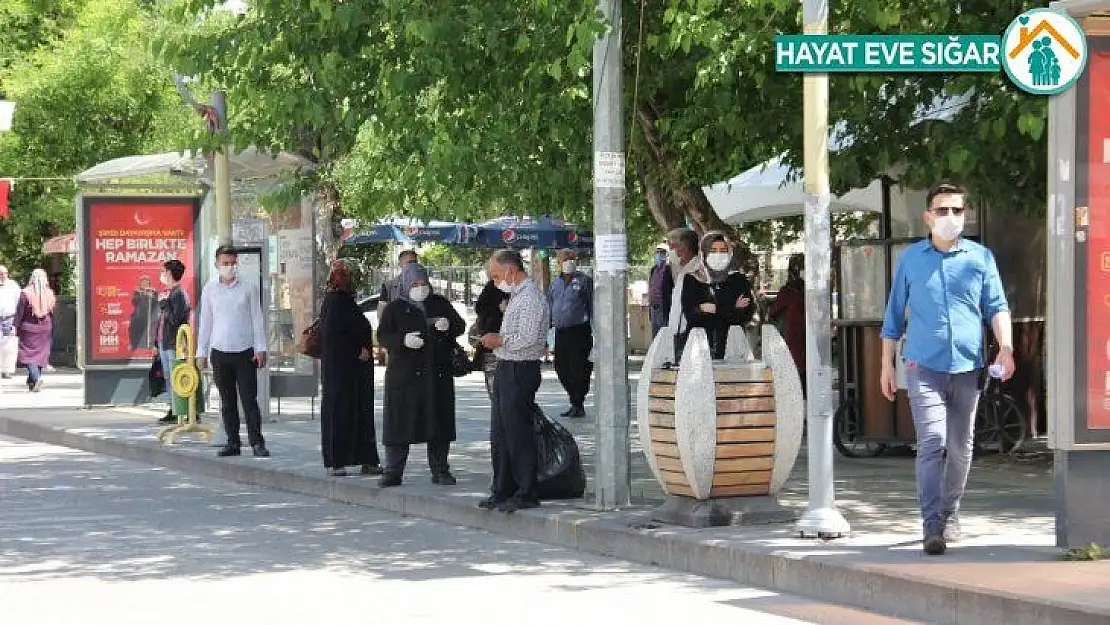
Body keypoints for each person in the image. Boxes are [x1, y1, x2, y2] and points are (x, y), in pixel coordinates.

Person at [879, 182, 1014, 556]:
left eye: (957, 210)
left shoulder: (980, 258)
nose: (950, 217)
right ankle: (932, 523)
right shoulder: (910, 259)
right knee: (933, 443)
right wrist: (886, 365)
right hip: (923, 365)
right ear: (927, 217)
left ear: (965, 215)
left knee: (961, 447)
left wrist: (1006, 347)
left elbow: (997, 306)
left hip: (968, 365)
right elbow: (892, 318)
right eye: (942, 210)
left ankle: (951, 511)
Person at [376, 262, 465, 487]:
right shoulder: (395, 308)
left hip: (436, 375)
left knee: (439, 424)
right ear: (405, 284)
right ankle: (393, 471)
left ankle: (440, 470)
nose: (420, 287)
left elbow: (459, 326)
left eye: (424, 283)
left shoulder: (439, 303)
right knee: (399, 424)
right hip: (404, 377)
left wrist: (449, 325)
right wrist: (402, 341)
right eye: (415, 283)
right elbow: (383, 336)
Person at [479, 249, 550, 513]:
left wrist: (500, 340)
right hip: (506, 366)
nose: (496, 282)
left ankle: (526, 490)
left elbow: (530, 338)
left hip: (521, 369)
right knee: (500, 432)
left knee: (518, 431)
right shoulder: (515, 296)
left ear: (511, 270)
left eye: (497, 276)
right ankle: (502, 488)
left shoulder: (530, 297)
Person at [196, 245, 270, 458]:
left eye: (232, 263)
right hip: (220, 351)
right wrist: (201, 351)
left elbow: (257, 319)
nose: (229, 267)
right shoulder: (210, 290)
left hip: (245, 351)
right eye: (225, 263)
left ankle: (257, 442)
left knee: (249, 400)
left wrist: (260, 348)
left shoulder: (248, 288)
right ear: (217, 265)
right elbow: (206, 323)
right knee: (227, 401)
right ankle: (232, 442)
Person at [319, 259, 382, 477]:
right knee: (340, 413)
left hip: (352, 372)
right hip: (342, 371)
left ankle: (365, 458)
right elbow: (333, 336)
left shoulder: (344, 301)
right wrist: (357, 350)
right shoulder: (336, 301)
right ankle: (337, 460)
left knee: (357, 412)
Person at [678, 232, 756, 360]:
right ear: (704, 252)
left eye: (723, 250)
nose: (718, 255)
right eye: (713, 250)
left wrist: (711, 308)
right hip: (700, 351)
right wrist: (732, 308)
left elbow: (746, 314)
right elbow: (692, 316)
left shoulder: (738, 280)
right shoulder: (692, 279)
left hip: (732, 349)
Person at [548, 248, 593, 418]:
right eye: (564, 258)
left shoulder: (584, 281)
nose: (568, 260)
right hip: (561, 332)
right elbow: (549, 307)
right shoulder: (555, 284)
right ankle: (573, 398)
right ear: (558, 262)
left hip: (579, 332)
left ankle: (578, 403)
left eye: (571, 257)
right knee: (561, 367)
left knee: (578, 369)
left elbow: (592, 305)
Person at [155, 260, 192, 424]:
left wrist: (164, 304)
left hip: (174, 343)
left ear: (170, 273)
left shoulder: (178, 294)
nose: (161, 275)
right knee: (169, 378)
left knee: (176, 376)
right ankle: (173, 408)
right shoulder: (170, 292)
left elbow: (176, 319)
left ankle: (181, 409)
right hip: (165, 342)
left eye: (164, 271)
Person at [768, 253, 806, 392]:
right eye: (802, 268)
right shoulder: (787, 292)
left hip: (808, 350)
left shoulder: (809, 292)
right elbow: (774, 315)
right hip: (792, 350)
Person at [14, 268, 55, 392]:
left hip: (29, 328)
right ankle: (32, 382)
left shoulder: (26, 293)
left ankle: (36, 378)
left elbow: (20, 312)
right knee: (41, 355)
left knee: (28, 355)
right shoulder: (50, 293)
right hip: (45, 328)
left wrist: (15, 326)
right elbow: (52, 313)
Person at [664, 227, 702, 359]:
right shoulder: (682, 270)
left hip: (689, 331)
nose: (672, 251)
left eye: (674, 247)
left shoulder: (697, 269)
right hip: (677, 329)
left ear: (685, 247)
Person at [471, 279, 510, 398]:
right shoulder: (493, 286)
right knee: (496, 392)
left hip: (511, 349)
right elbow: (480, 308)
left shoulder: (519, 288)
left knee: (509, 394)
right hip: (491, 346)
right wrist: (498, 309)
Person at [0, 265, 21, 379]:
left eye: (5, 273)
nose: (3, 276)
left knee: (9, 347)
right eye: (1, 273)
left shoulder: (13, 285)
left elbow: (19, 301)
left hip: (9, 319)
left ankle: (6, 370)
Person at [647, 244, 671, 337]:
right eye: (657, 252)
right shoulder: (653, 269)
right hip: (654, 308)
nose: (659, 254)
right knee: (655, 336)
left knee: (663, 336)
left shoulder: (669, 269)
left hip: (663, 308)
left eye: (662, 252)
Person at [129, 275, 159, 350]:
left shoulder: (154, 291)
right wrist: (142, 295)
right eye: (143, 282)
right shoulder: (137, 291)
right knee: (133, 325)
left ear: (149, 283)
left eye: (146, 282)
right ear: (140, 283)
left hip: (150, 316)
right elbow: (134, 302)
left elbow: (157, 304)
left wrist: (152, 297)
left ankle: (151, 345)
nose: (145, 283)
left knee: (153, 327)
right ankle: (134, 345)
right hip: (139, 316)